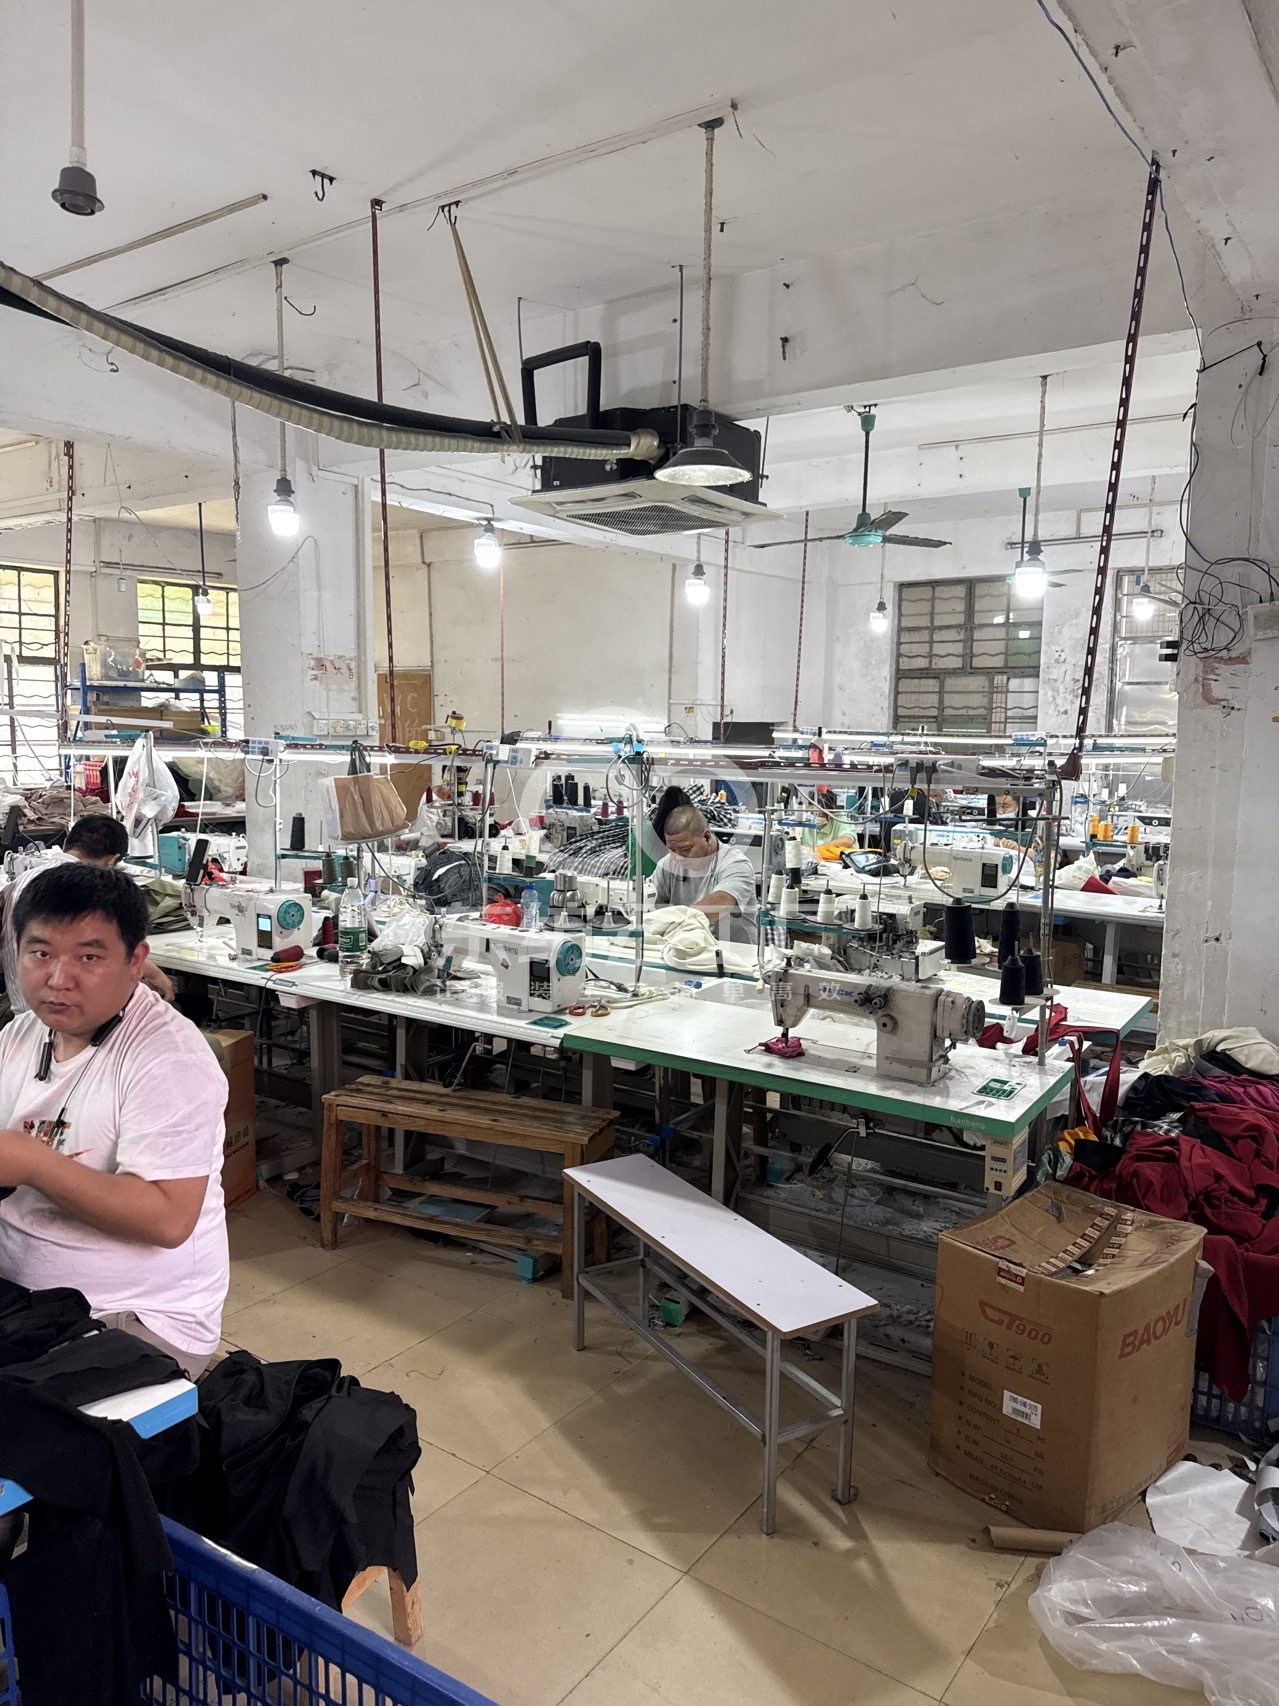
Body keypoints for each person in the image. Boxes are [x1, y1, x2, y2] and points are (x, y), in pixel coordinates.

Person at [0, 863, 229, 1378]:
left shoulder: (168, 1059)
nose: (58, 980)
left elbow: (168, 1219)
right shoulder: (22, 1035)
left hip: (129, 1320)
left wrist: (32, 1162)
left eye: (89, 957)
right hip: (28, 1299)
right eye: (40, 953)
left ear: (135, 961)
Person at [0, 815, 174, 1013]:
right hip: (60, 1010)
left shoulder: (19, 881)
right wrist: (153, 973)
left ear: (66, 843)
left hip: (23, 1007)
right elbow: (81, 945)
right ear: (112, 861)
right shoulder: (82, 889)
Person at [653, 803, 757, 940]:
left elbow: (721, 902)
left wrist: (676, 923)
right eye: (672, 849)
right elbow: (649, 900)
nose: (678, 858)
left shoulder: (736, 864)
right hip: (685, 946)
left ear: (707, 837)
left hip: (733, 950)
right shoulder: (667, 865)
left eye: (685, 849)